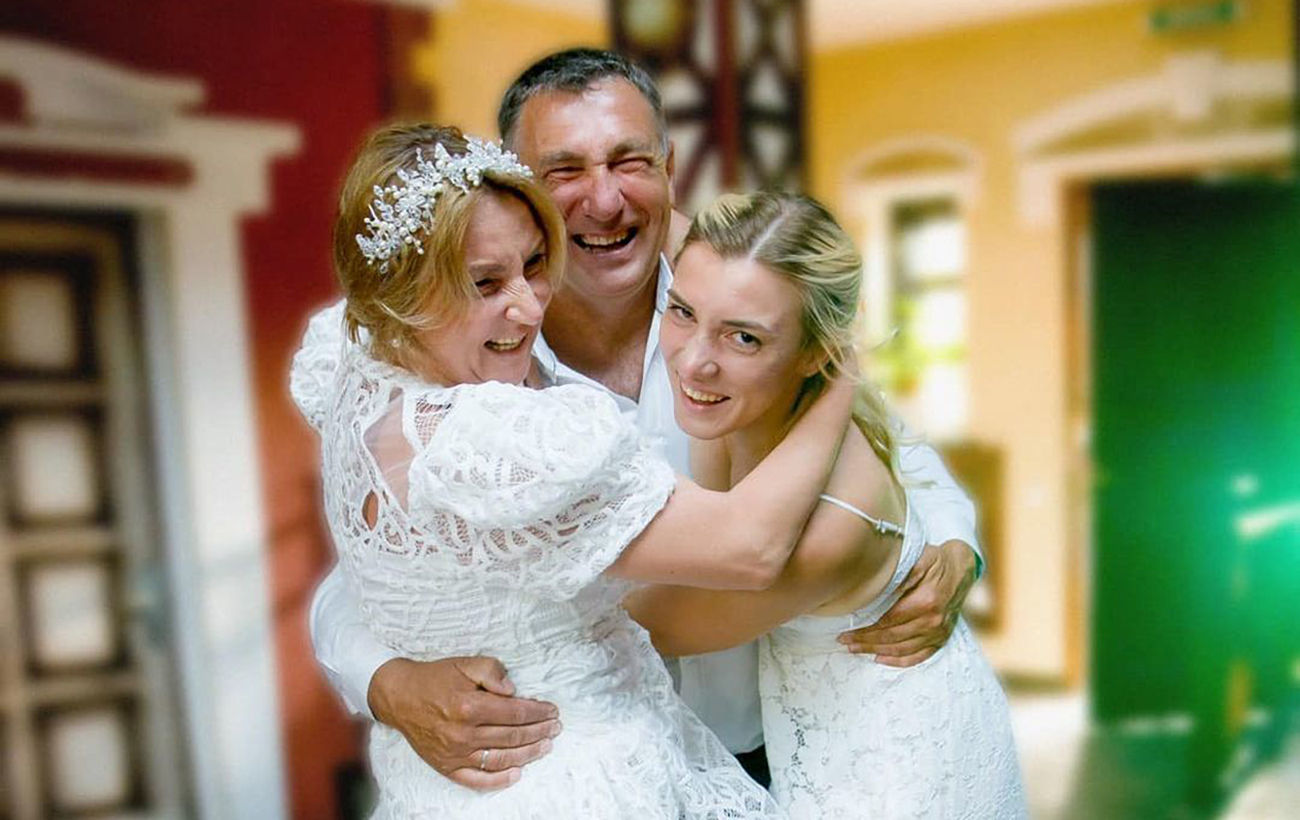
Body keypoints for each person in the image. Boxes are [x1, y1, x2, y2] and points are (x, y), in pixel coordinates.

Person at [308, 48, 983, 787]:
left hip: (776, 743)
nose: (604, 202)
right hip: (579, 771)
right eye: (565, 170)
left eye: (629, 161)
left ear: (668, 168)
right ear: (516, 188)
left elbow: (889, 449)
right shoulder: (449, 343)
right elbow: (384, 554)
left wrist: (954, 541)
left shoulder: (745, 285)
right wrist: (384, 681)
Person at [292, 124, 855, 815]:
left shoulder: (358, 357)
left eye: (535, 263)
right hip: (575, 781)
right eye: (485, 283)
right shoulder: (477, 436)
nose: (530, 305)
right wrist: (841, 366)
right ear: (399, 294)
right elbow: (750, 546)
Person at [625, 191, 1027, 818]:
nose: (695, 362)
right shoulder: (758, 384)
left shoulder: (832, 526)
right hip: (809, 741)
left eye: (743, 338)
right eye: (681, 311)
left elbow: (642, 627)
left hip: (892, 773)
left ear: (818, 352)